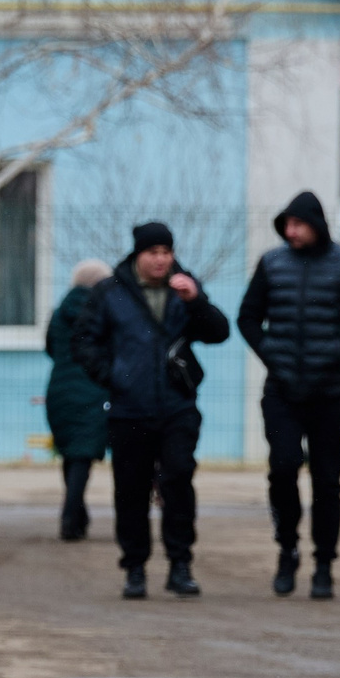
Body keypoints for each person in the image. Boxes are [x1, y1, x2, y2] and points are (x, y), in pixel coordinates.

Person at [236, 191, 340, 600]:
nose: (290, 231)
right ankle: (287, 548)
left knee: (327, 479)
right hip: (282, 390)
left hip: (330, 392)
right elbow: (247, 317)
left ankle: (324, 563)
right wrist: (271, 353)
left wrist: (339, 352)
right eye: (286, 224)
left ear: (315, 225)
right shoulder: (272, 264)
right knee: (283, 468)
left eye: (297, 224)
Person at [74, 223, 230, 600]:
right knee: (131, 489)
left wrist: (196, 301)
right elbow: (84, 340)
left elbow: (218, 332)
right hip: (129, 409)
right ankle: (135, 569)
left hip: (177, 406)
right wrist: (113, 376)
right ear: (137, 255)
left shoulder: (185, 287)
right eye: (152, 252)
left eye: (166, 251)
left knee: (178, 481)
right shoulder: (110, 292)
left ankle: (180, 566)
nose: (161, 259)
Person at [44, 260, 111, 542]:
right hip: (93, 391)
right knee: (82, 454)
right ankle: (70, 519)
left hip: (59, 391)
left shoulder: (59, 312)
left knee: (72, 453)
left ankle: (77, 514)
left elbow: (50, 347)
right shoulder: (102, 313)